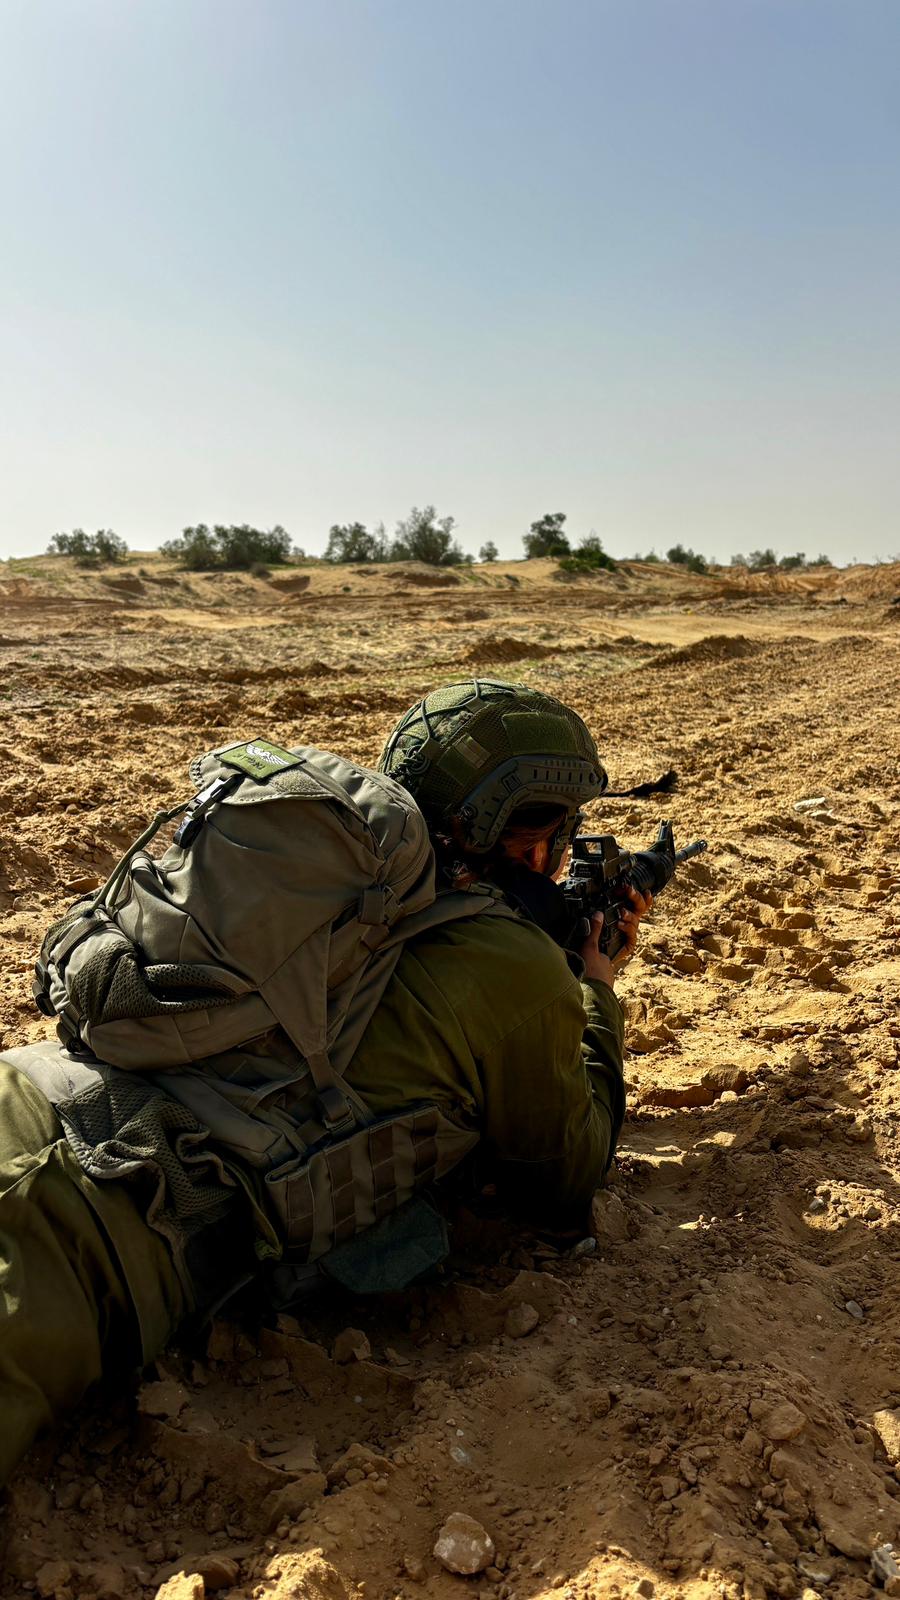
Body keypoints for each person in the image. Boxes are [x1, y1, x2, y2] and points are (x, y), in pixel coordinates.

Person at [0, 679, 650, 1483]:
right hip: (99, 1228)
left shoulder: (331, 887)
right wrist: (593, 990)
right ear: (525, 836)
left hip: (33, 1091)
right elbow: (566, 1178)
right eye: (556, 836)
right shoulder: (514, 966)